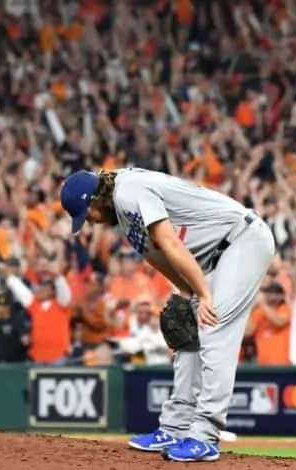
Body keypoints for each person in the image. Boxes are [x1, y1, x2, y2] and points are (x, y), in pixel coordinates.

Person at [60, 168, 275, 462]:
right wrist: (187, 293)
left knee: (213, 325)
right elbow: (157, 255)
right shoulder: (123, 208)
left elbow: (169, 241)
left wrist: (204, 295)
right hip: (213, 257)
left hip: (242, 241)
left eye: (89, 213)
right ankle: (176, 427)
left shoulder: (127, 190)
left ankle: (206, 435)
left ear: (97, 198)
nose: (92, 222)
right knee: (183, 329)